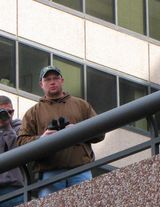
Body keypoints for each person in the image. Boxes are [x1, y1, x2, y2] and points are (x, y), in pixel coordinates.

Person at [17, 65, 105, 198]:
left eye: (55, 78)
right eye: (47, 79)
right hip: (49, 173)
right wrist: (42, 139)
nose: (52, 82)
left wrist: (78, 131)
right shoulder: (33, 112)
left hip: (80, 169)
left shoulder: (81, 105)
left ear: (62, 81)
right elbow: (20, 142)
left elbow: (100, 132)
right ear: (41, 84)